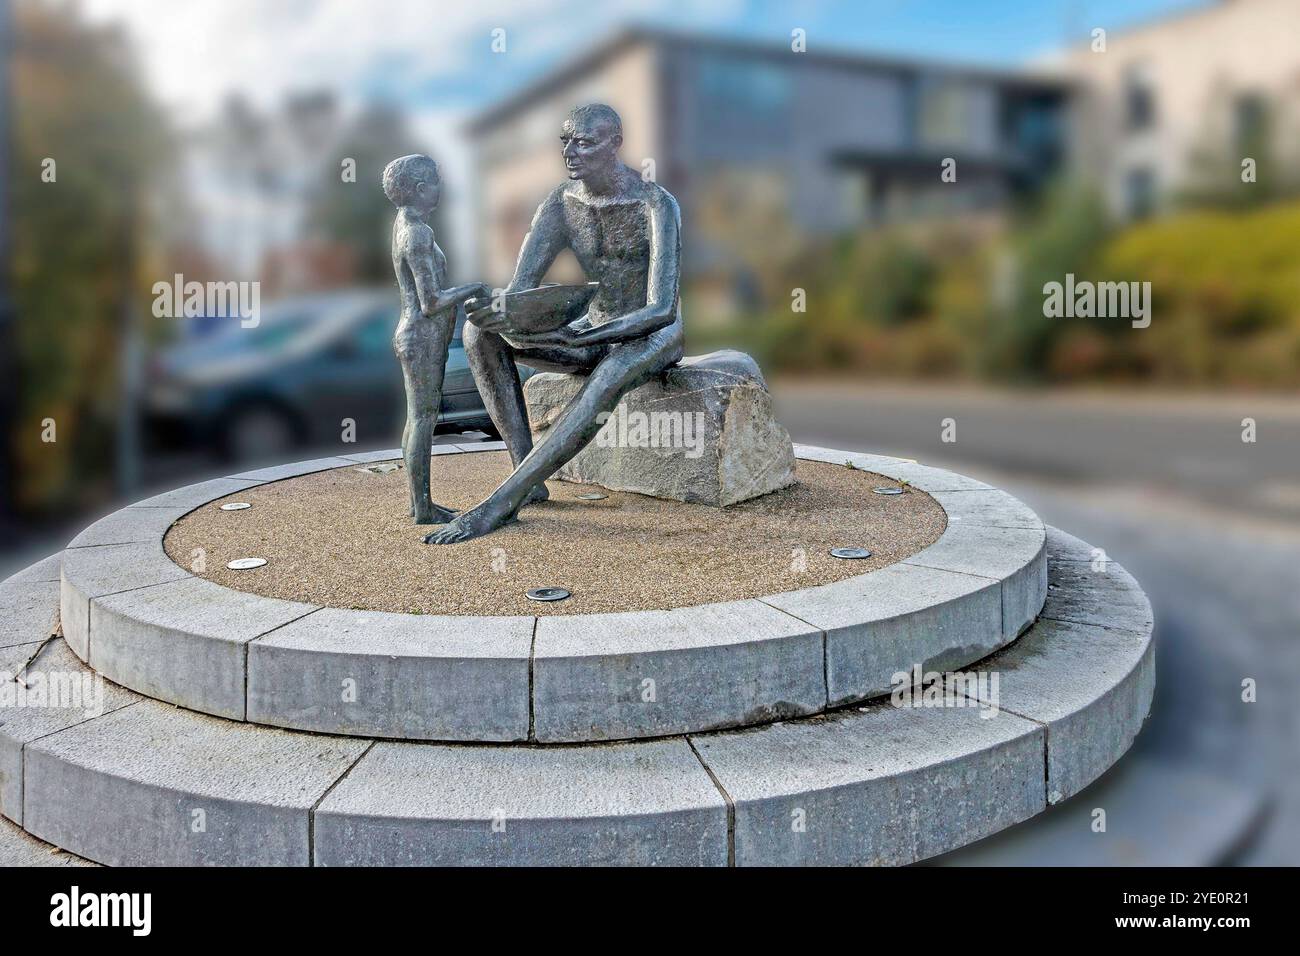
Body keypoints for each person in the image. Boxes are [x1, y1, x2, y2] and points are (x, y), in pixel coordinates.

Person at [425, 104, 685, 545]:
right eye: (566, 140)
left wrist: (589, 334)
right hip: (593, 328)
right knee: (477, 334)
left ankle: (500, 504)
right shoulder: (561, 204)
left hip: (651, 334)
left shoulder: (655, 204)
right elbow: (522, 289)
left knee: (612, 373)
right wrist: (503, 314)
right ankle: (528, 476)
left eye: (584, 142)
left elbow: (662, 308)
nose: (571, 151)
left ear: (615, 144)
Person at [382, 154, 487, 525]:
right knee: (424, 418)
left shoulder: (404, 224)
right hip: (422, 335)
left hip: (418, 335)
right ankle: (423, 508)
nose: (441, 188)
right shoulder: (418, 233)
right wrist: (473, 287)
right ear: (421, 188)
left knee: (418, 418)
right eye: (435, 181)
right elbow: (431, 302)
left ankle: (419, 502)